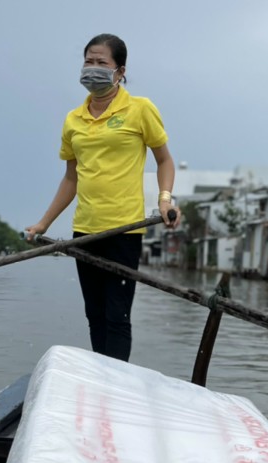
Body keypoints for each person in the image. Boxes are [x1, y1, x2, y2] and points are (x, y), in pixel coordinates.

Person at [26, 34, 180, 362]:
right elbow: (72, 177)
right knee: (94, 315)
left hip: (124, 230)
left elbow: (164, 160)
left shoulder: (140, 109)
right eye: (88, 61)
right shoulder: (73, 119)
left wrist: (165, 200)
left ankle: (116, 383)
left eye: (101, 63)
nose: (92, 68)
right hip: (86, 230)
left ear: (120, 71)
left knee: (117, 316)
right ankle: (100, 379)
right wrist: (43, 222)